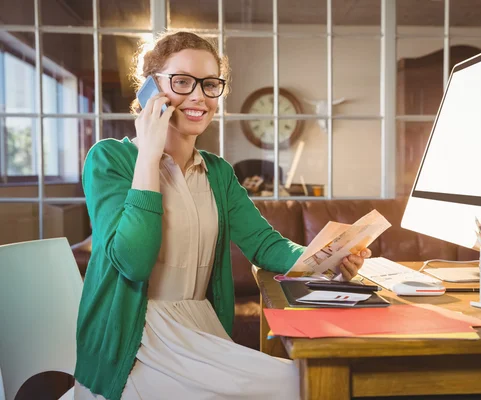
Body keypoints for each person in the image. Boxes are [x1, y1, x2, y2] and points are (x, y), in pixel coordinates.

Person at [73, 31, 371, 400]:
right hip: (135, 343)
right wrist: (148, 156)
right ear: (150, 90)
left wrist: (326, 258)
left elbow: (264, 245)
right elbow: (133, 263)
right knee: (297, 387)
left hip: (198, 328)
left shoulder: (218, 173)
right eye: (182, 82)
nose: (198, 96)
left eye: (210, 84)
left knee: (308, 382)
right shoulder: (108, 160)